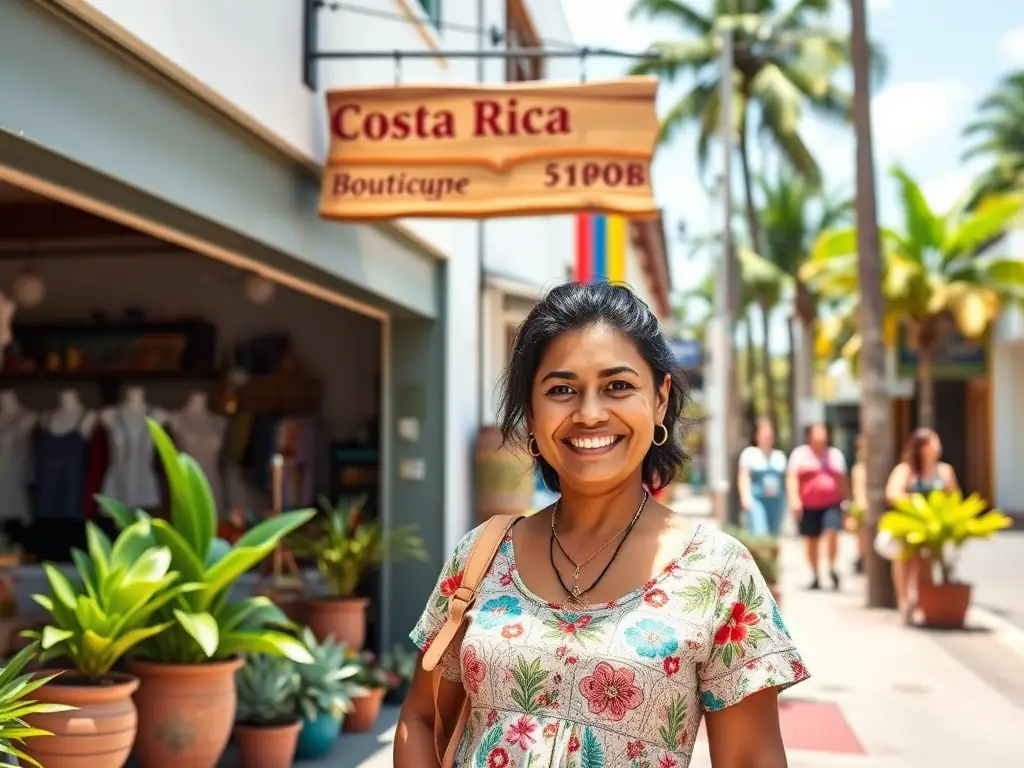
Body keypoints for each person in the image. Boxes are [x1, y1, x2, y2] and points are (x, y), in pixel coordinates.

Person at [396, 282, 808, 768]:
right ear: (531, 412)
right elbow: (421, 718)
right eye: (562, 390)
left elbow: (750, 759)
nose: (589, 413)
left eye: (617, 386)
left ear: (659, 399)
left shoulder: (719, 574)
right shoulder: (482, 555)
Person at [883, 428, 959, 623]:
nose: (936, 447)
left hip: (932, 528)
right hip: (909, 525)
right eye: (932, 443)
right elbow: (892, 493)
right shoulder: (905, 470)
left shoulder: (944, 471)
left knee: (925, 564)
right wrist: (915, 502)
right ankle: (904, 602)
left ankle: (920, 602)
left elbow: (954, 497)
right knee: (905, 561)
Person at [786, 422, 849, 591]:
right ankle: (815, 574)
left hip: (832, 503)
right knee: (811, 539)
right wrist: (794, 499)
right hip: (809, 505)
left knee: (832, 532)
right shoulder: (800, 454)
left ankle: (831, 566)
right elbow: (792, 477)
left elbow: (842, 480)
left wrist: (847, 501)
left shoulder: (835, 455)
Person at [738, 417, 788, 537]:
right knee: (759, 532)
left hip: (776, 501)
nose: (767, 437)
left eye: (770, 434)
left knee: (773, 534)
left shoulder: (779, 456)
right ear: (757, 435)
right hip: (757, 500)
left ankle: (771, 556)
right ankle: (759, 556)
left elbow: (785, 480)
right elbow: (743, 476)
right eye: (764, 433)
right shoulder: (749, 453)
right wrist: (745, 497)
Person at [849, 434, 868, 575]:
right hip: (863, 508)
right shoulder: (859, 469)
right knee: (862, 535)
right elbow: (858, 490)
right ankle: (862, 559)